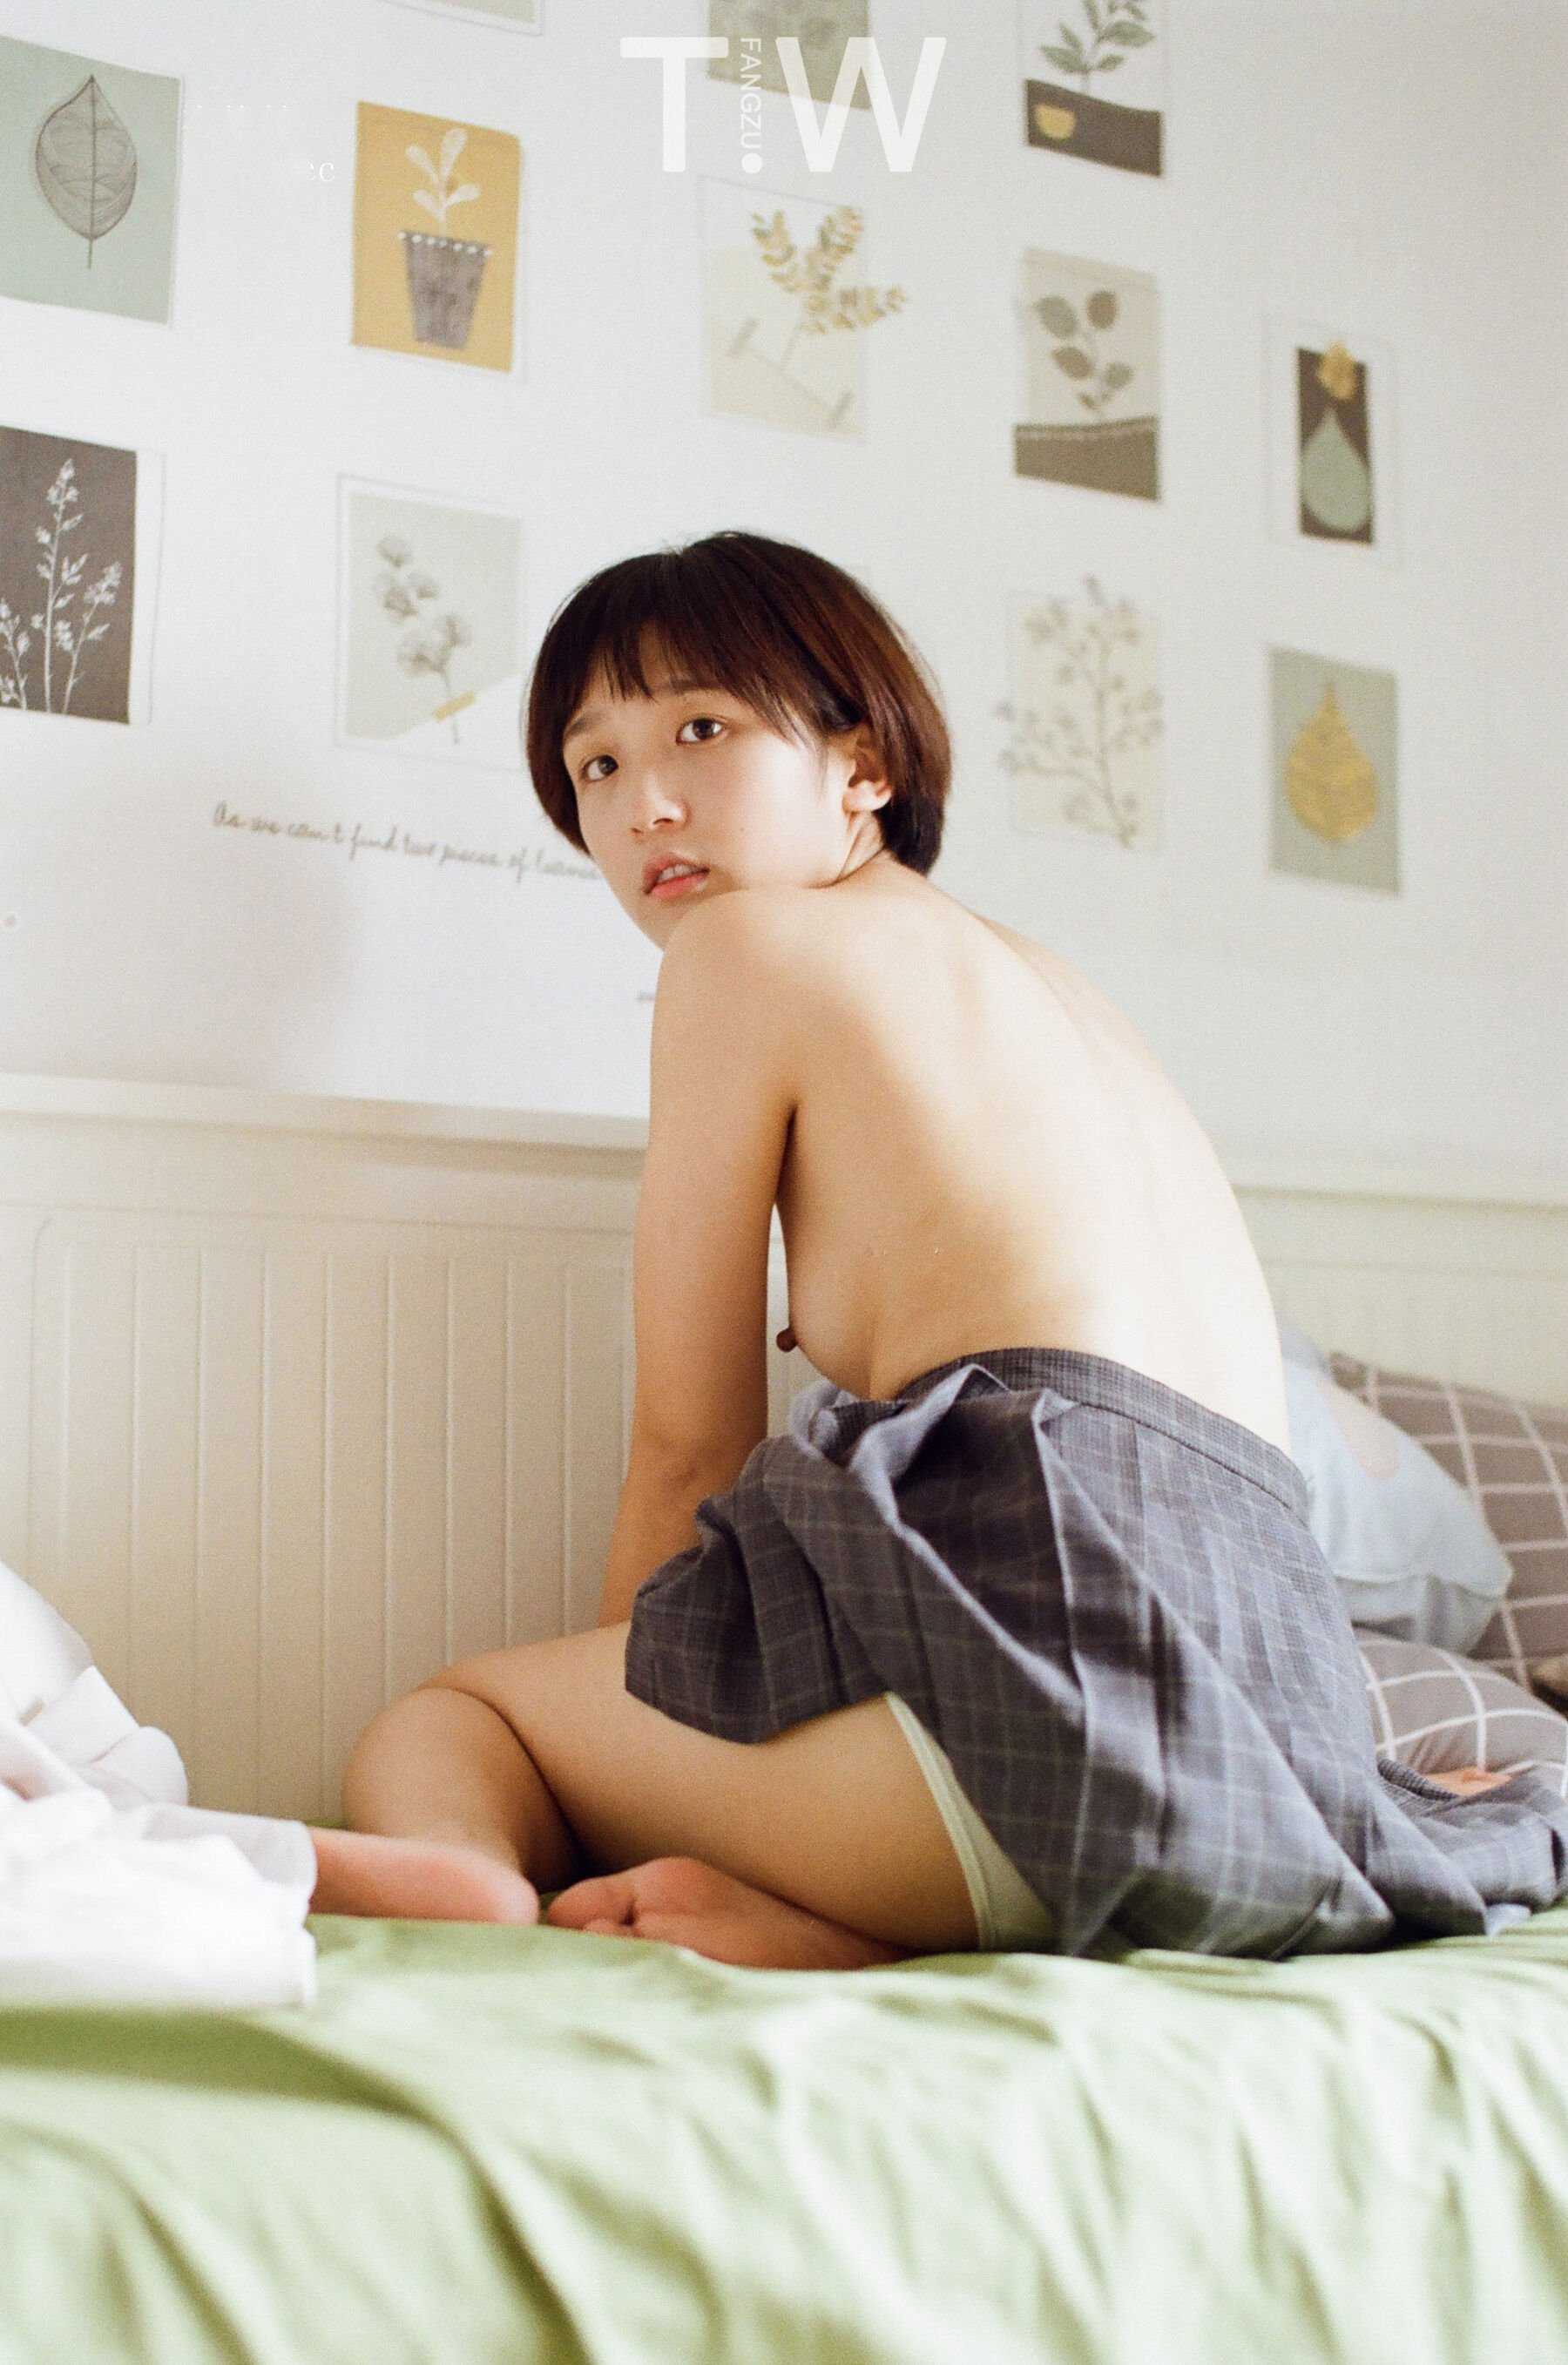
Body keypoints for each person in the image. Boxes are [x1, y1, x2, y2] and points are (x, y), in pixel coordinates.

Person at [334, 530, 1532, 1970]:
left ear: (864, 763)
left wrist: (614, 1778)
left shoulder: (746, 948)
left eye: (701, 730)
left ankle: (468, 1880)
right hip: (1274, 1789)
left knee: (461, 1720)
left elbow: (685, 1447)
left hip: (1045, 1758)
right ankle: (842, 1925)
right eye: (596, 765)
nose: (645, 804)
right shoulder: (1064, 995)